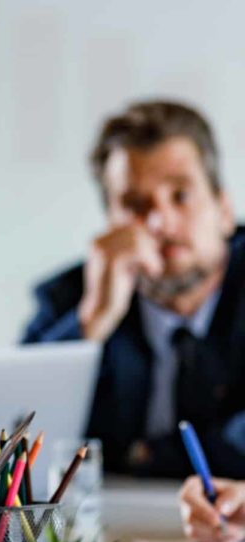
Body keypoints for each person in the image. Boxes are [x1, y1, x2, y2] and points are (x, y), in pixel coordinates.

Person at [23, 100, 245, 478]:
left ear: (224, 210)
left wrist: (148, 457)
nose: (160, 222)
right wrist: (90, 325)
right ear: (110, 222)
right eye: (135, 205)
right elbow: (12, 437)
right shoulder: (71, 298)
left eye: (181, 196)